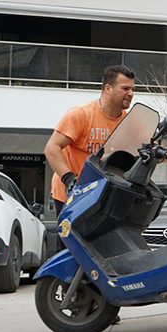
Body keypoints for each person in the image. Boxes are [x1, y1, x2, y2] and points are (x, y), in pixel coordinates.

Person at [44, 65, 135, 218]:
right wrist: (68, 178)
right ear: (108, 88)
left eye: (133, 89)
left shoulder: (128, 121)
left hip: (105, 194)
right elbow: (52, 147)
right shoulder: (81, 114)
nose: (131, 94)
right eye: (125, 88)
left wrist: (166, 153)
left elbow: (145, 148)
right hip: (73, 193)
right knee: (71, 242)